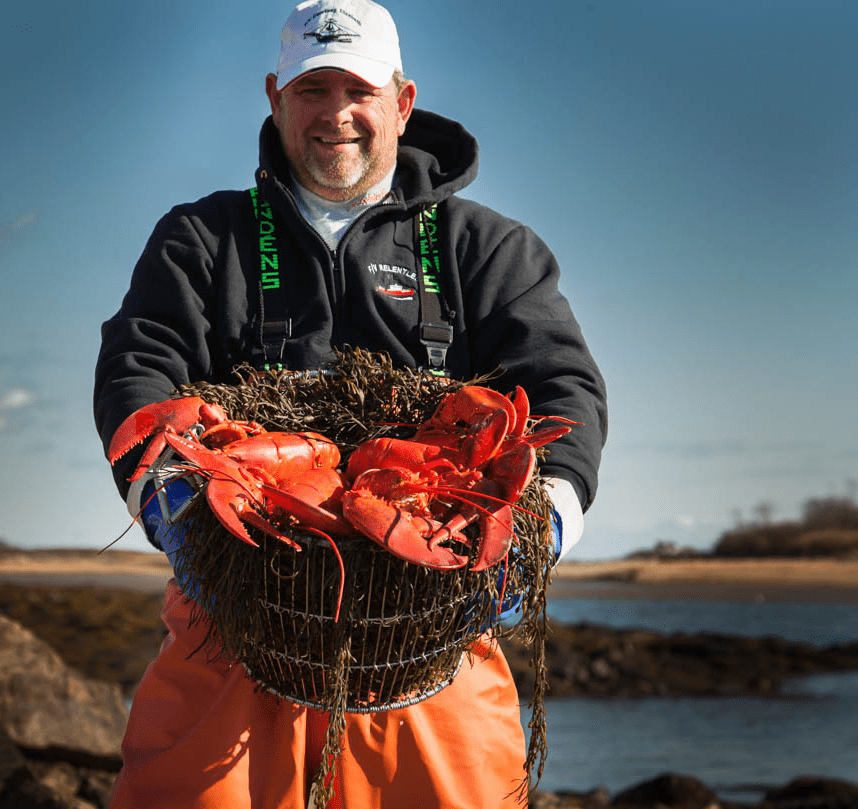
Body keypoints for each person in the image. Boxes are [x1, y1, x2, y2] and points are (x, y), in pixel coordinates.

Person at [94, 1, 607, 806]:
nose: (336, 113)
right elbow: (140, 366)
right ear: (275, 99)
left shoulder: (487, 249)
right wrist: (172, 506)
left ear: (402, 102)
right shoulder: (202, 240)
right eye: (312, 89)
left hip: (439, 644)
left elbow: (562, 389)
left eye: (359, 90)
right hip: (226, 635)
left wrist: (538, 529)